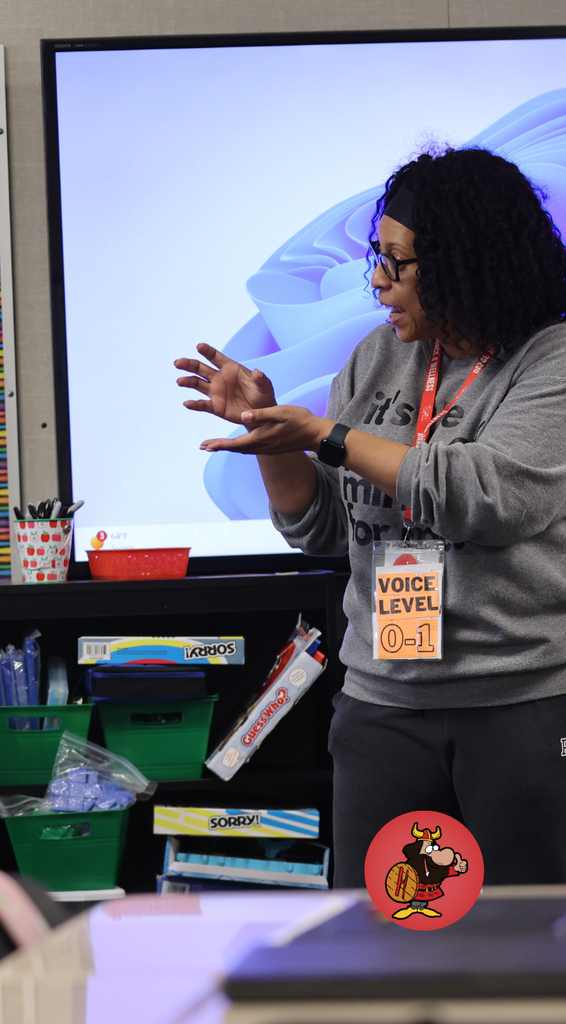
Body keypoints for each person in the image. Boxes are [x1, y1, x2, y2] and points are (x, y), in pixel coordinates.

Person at [176, 147, 566, 888]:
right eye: (373, 259)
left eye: (395, 262)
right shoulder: (376, 357)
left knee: (525, 950)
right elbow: (323, 528)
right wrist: (270, 435)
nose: (377, 282)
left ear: (462, 262)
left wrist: (327, 434)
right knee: (384, 942)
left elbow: (482, 495)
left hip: (519, 705)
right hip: (382, 704)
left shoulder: (550, 362)